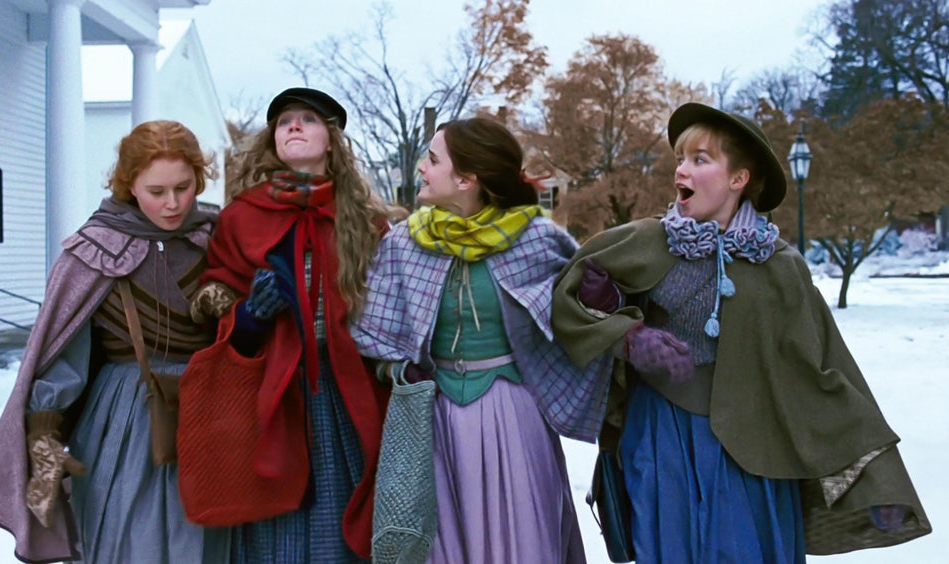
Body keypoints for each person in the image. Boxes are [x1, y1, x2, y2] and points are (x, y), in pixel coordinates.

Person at [552, 102, 932, 562]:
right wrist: (626, 334)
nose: (681, 171)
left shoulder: (779, 266)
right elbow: (565, 298)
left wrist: (877, 478)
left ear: (738, 179)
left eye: (700, 159)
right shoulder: (643, 242)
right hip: (659, 439)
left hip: (754, 449)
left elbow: (825, 367)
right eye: (679, 159)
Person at [351, 117, 611, 564]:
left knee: (524, 544)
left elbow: (577, 324)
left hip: (514, 415)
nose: (422, 170)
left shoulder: (537, 238)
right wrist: (399, 369)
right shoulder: (404, 245)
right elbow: (375, 334)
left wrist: (597, 301)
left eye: (433, 160)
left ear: (467, 178)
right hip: (435, 423)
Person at [0, 120, 218, 562]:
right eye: (156, 191)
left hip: (210, 410)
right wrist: (44, 437)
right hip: (123, 420)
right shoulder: (94, 249)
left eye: (184, 187)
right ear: (128, 184)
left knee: (207, 540)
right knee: (125, 541)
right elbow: (65, 351)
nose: (173, 203)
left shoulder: (220, 238)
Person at [186, 87, 390, 562]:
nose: (293, 126)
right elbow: (218, 310)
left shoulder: (364, 220)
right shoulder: (241, 217)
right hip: (273, 395)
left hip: (346, 393)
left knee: (343, 526)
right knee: (277, 534)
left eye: (307, 119)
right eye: (283, 121)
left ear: (333, 140)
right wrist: (252, 317)